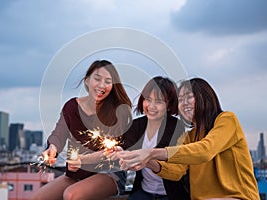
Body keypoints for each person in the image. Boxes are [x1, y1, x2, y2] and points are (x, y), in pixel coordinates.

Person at [118, 77, 260, 200]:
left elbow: (205, 150)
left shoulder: (227, 120)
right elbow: (176, 172)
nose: (184, 103)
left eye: (189, 97)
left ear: (205, 97)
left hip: (237, 197)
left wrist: (151, 153)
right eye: (181, 99)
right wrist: (147, 161)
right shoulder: (189, 137)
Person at [31, 60, 132, 200]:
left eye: (108, 81)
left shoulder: (118, 110)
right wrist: (52, 148)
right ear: (86, 81)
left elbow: (111, 152)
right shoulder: (72, 107)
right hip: (77, 173)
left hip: (108, 173)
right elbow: (59, 134)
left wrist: (82, 160)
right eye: (97, 79)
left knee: (71, 195)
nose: (102, 85)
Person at [107, 76, 190, 200]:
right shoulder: (136, 125)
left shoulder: (176, 126)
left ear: (169, 105)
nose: (151, 106)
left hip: (171, 194)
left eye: (158, 101)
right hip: (144, 191)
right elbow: (126, 148)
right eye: (148, 99)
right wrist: (119, 151)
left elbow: (173, 161)